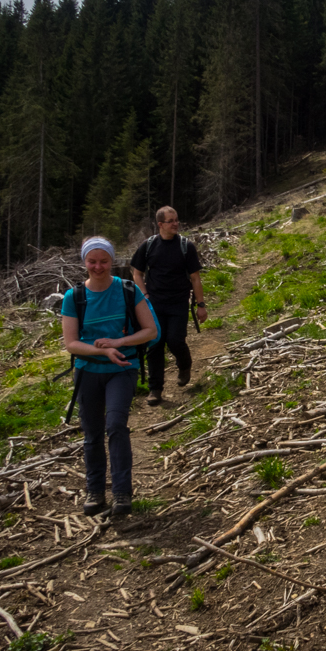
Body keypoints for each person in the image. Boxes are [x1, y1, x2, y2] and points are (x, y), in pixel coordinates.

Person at [62, 237, 157, 516]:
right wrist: (101, 352)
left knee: (115, 425)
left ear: (112, 261)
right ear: (84, 262)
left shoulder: (128, 290)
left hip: (123, 369)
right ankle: (95, 490)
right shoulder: (74, 297)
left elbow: (150, 330)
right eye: (92, 261)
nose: (98, 266)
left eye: (104, 261)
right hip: (87, 371)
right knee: (92, 434)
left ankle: (122, 493)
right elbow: (71, 343)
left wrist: (119, 344)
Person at [131, 207, 206, 404]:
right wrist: (144, 295)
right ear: (161, 224)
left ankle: (184, 364)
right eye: (171, 220)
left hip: (179, 302)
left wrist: (201, 305)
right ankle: (155, 389)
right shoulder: (148, 246)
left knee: (175, 340)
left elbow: (195, 278)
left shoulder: (185, 246)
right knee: (155, 345)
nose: (175, 223)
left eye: (176, 220)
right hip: (154, 304)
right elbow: (136, 273)